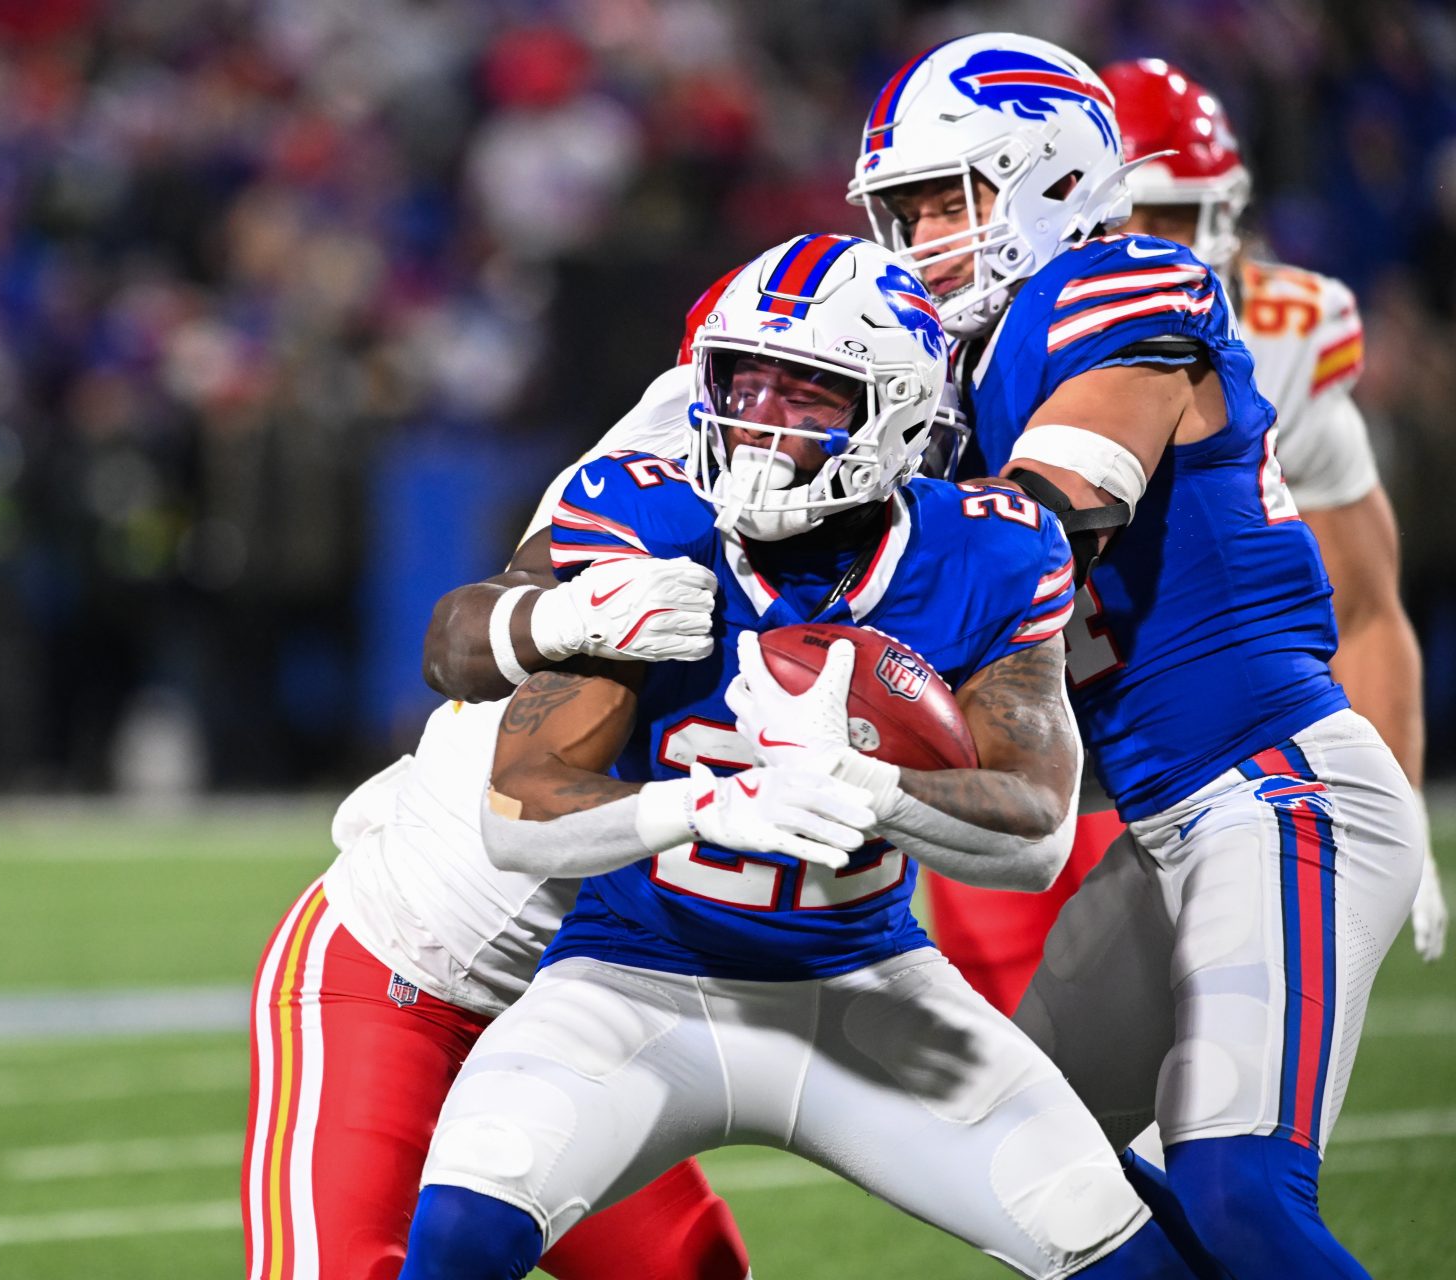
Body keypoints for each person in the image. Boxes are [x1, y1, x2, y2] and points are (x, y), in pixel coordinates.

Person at [399, 234, 1192, 1280]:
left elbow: (1036, 831)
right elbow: (518, 808)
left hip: (867, 983)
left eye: (806, 394)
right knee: (460, 1230)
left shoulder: (989, 549)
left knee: (1122, 1249)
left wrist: (868, 782)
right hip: (630, 980)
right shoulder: (644, 519)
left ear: (898, 410)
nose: (755, 420)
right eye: (740, 383)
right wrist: (696, 809)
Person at [845, 33, 1421, 1279]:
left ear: (1054, 177)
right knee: (1036, 1167)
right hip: (1166, 827)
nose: (926, 236)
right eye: (906, 209)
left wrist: (848, 593)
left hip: (1278, 786)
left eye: (955, 197)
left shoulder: (1124, 286)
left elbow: (1054, 512)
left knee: (1239, 1187)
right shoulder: (955, 371)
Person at [920, 56, 1447, 1019]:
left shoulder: (1230, 319)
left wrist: (1393, 800)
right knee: (1038, 1103)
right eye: (1138, 214)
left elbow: (1368, 605)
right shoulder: (952, 339)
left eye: (1175, 217)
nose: (1148, 241)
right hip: (1037, 708)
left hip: (1218, 746)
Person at [242, 462, 746, 1276]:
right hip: (392, 967)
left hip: (559, 1018)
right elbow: (455, 641)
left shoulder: (894, 580)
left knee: (692, 1265)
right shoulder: (666, 506)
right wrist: (563, 616)